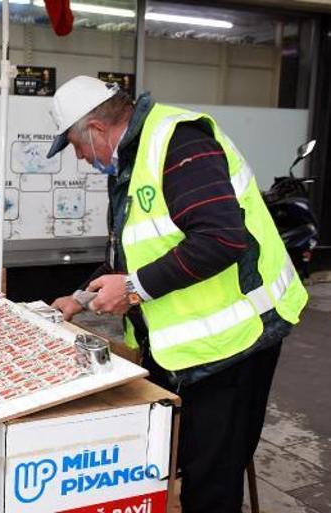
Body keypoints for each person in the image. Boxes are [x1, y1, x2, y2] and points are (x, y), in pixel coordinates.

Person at [47, 76, 308, 513]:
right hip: (184, 350)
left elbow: (222, 239)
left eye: (75, 144)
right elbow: (137, 248)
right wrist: (80, 297)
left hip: (234, 345)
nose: (78, 156)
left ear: (95, 128)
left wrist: (132, 289)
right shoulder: (133, 158)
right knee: (179, 463)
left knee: (212, 482)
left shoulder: (179, 142)